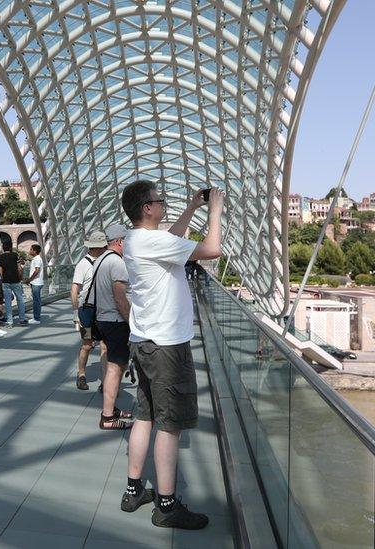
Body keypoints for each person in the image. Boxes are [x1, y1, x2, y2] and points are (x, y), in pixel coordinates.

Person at [119, 180, 224, 530]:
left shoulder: (137, 239)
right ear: (147, 208)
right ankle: (166, 505)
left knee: (145, 416)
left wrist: (192, 207)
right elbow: (212, 249)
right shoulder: (153, 241)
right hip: (167, 346)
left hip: (144, 341)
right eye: (159, 201)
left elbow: (174, 239)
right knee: (171, 425)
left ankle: (134, 490)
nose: (163, 204)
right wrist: (215, 210)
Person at [89, 224, 134, 429]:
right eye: (127, 241)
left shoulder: (100, 260)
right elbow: (120, 298)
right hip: (115, 321)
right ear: (119, 241)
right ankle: (108, 417)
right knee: (116, 368)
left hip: (103, 320)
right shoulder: (117, 263)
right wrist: (131, 323)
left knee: (114, 367)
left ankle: (111, 408)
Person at [71, 231, 108, 391]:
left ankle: (106, 380)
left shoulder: (107, 262)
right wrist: (75, 312)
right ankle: (81, 374)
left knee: (105, 345)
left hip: (104, 311)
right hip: (86, 312)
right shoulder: (83, 264)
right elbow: (74, 290)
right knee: (87, 344)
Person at [0, 246, 27, 326]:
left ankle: (10, 321)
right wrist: (20, 277)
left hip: (6, 282)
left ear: (3, 248)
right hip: (16, 281)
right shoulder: (15, 255)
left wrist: (2, 279)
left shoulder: (1, 257)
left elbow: (0, 270)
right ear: (10, 248)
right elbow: (19, 269)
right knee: (20, 299)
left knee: (7, 302)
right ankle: (22, 319)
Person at [24, 244, 44, 325]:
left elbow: (37, 270)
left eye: (31, 249)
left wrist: (29, 279)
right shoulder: (36, 258)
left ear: (35, 251)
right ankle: (36, 317)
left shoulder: (37, 259)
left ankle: (37, 318)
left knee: (36, 301)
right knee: (37, 300)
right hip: (36, 282)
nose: (29, 251)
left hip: (36, 282)